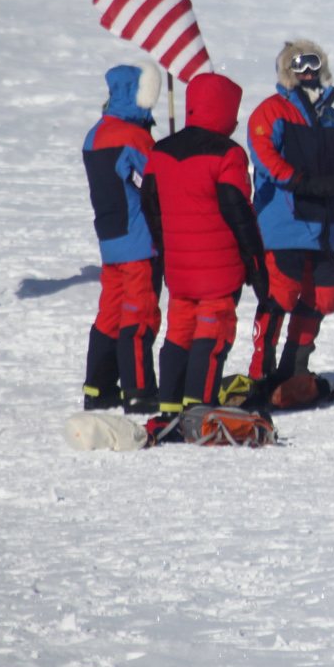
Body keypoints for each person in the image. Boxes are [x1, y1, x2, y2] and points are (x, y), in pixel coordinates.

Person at [141, 72, 269, 413]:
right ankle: (199, 407)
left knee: (179, 330)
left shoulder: (161, 151)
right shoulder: (229, 154)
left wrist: (167, 250)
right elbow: (239, 213)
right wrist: (256, 267)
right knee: (212, 333)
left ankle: (170, 405)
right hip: (218, 270)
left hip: (179, 269)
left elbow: (149, 205)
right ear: (225, 111)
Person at [245, 40, 334, 401]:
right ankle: (261, 372)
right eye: (298, 65)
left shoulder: (329, 114)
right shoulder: (271, 111)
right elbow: (264, 157)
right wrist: (302, 182)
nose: (307, 71)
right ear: (287, 71)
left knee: (325, 298)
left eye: (313, 63)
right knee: (281, 296)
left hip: (321, 224)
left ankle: (294, 367)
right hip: (284, 222)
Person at [80, 63, 162, 413]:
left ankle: (98, 389)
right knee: (139, 314)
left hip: (110, 240)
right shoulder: (133, 136)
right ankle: (139, 392)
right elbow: (160, 178)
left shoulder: (94, 134)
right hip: (139, 240)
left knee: (110, 315)